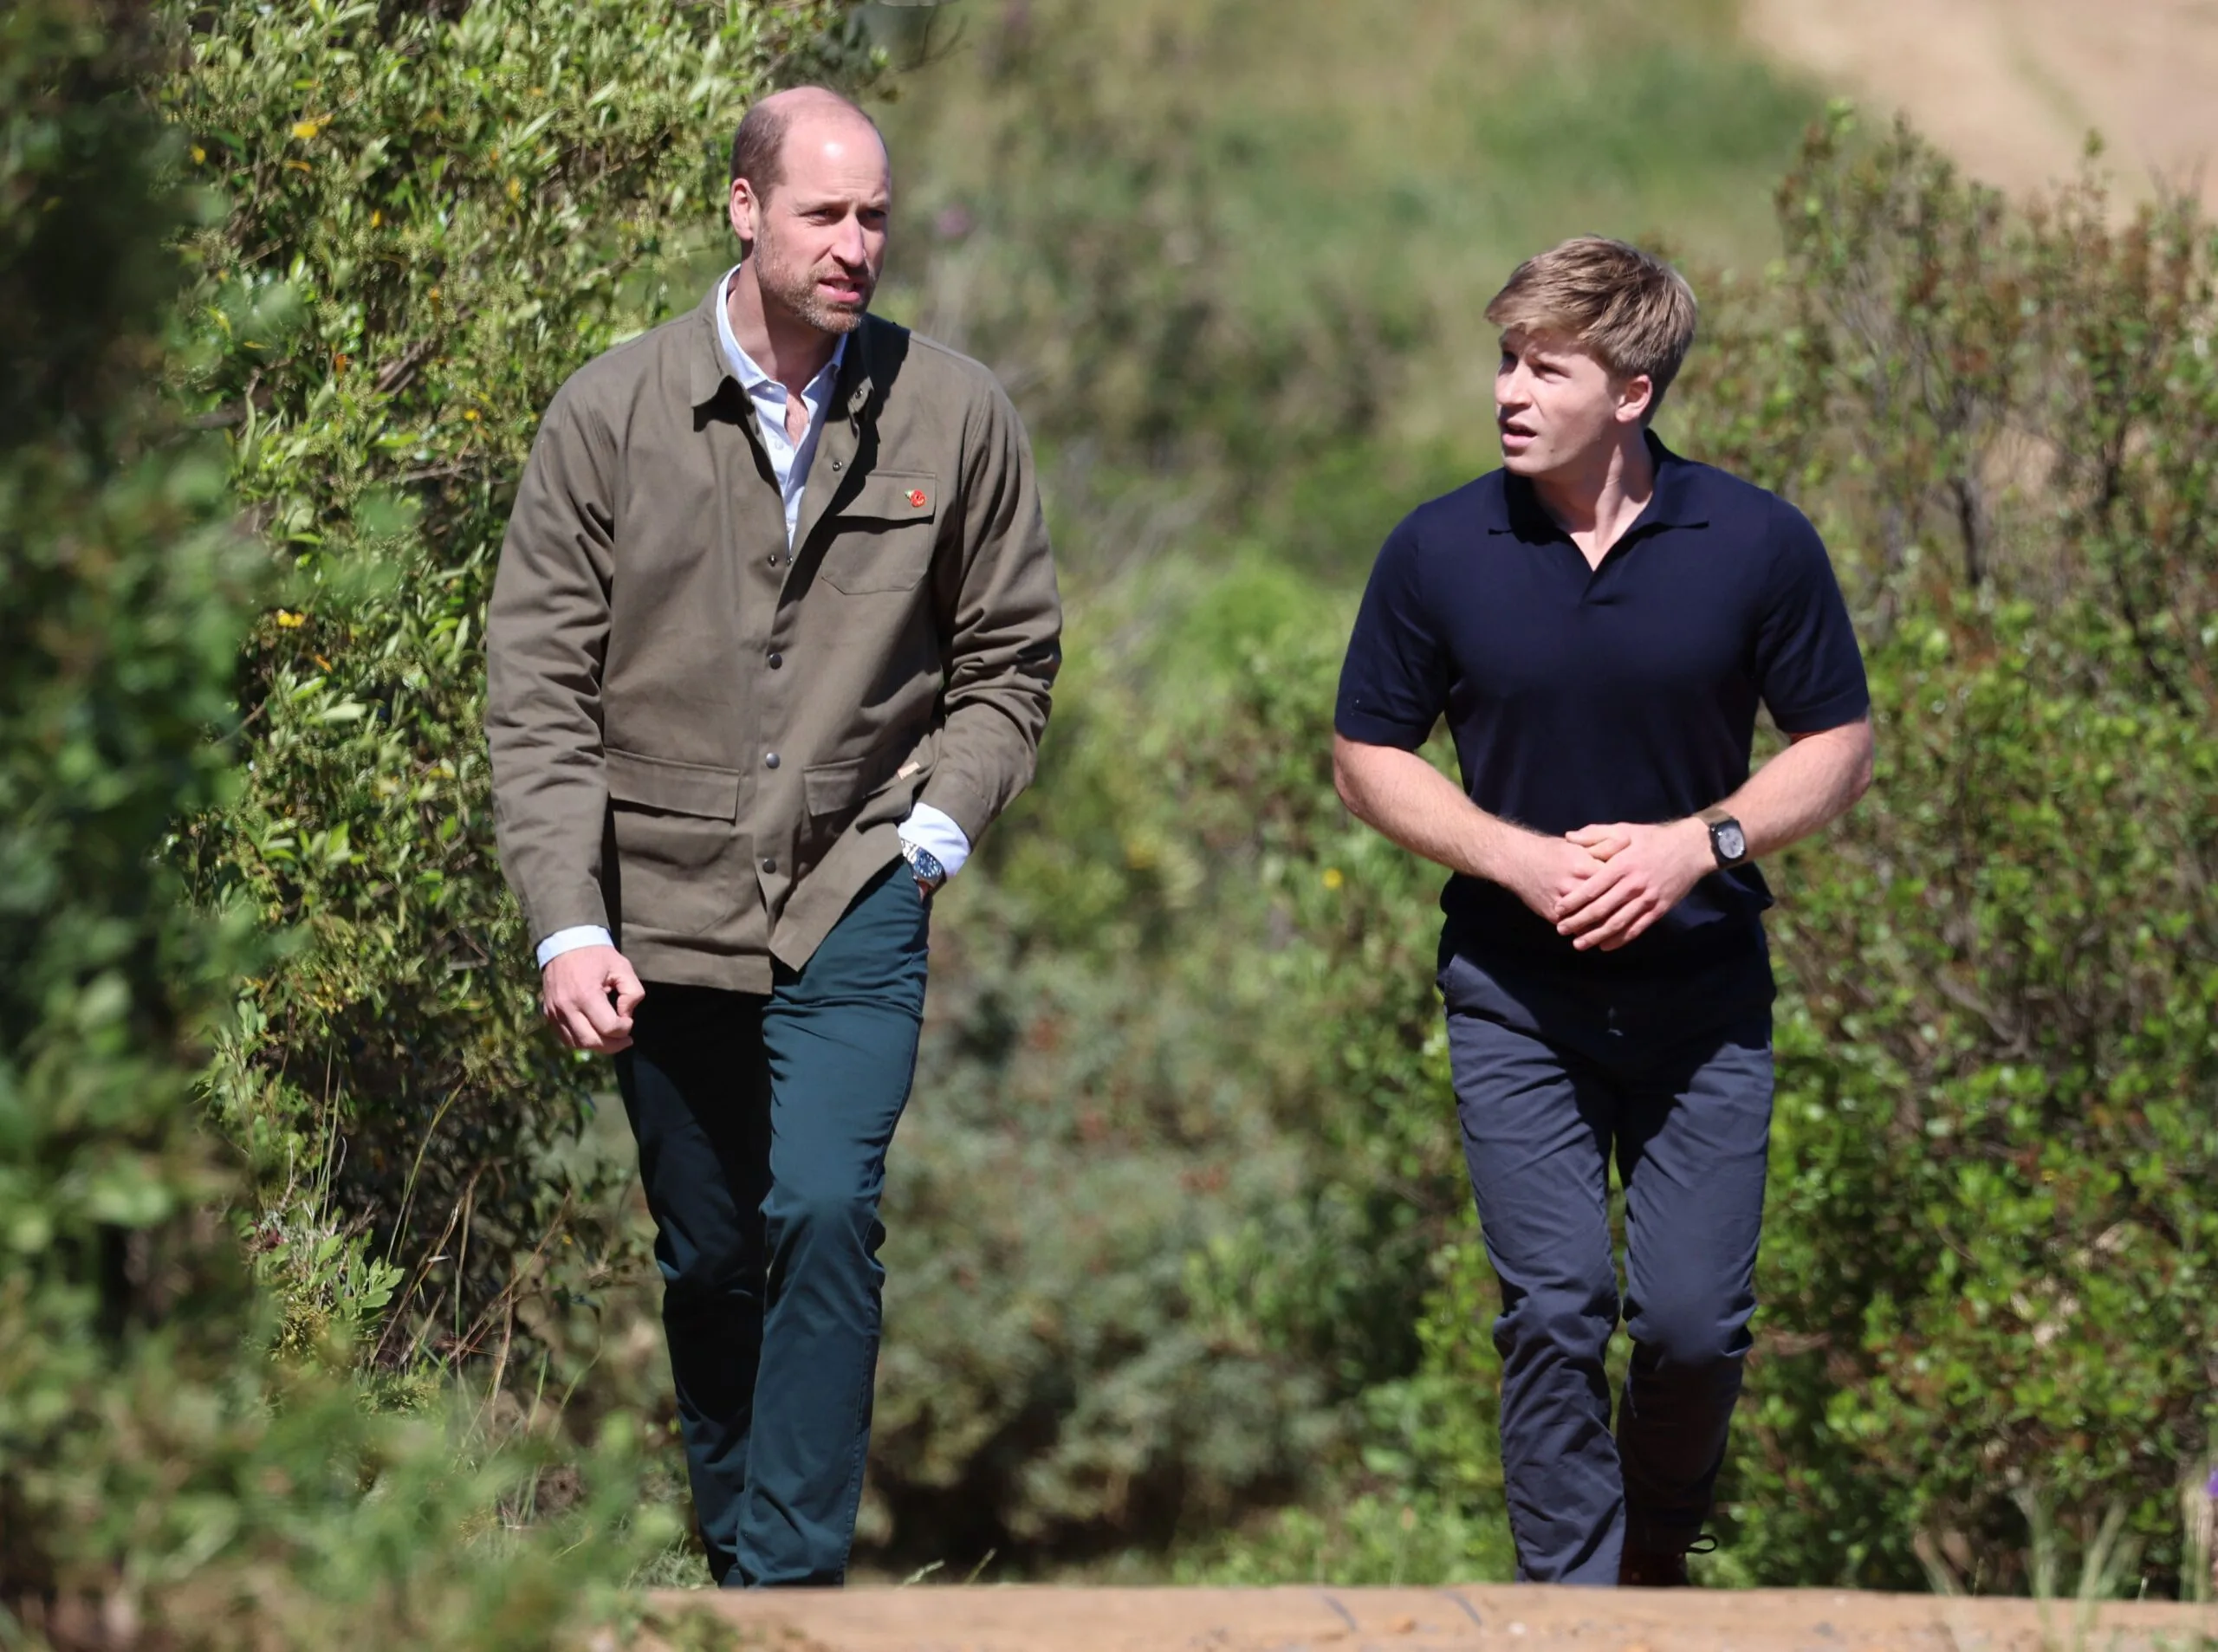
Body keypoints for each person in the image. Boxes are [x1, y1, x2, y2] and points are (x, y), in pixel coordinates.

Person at [485, 85, 1060, 1588]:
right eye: (825, 213)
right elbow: (538, 693)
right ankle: (745, 1569)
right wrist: (569, 918)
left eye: (875, 214)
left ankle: (794, 1592)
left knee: (822, 1203)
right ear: (745, 211)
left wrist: (933, 831)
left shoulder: (954, 411)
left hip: (860, 882)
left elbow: (1011, 660)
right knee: (711, 1254)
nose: (857, 243)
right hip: (654, 903)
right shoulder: (609, 413)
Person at [1331, 237, 1873, 1587]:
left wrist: (1704, 843)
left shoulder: (1755, 541)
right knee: (1557, 1309)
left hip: (1703, 997)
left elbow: (1838, 739)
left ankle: (1655, 1569)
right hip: (1517, 996)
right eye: (1504, 360)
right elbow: (1367, 757)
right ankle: (1573, 1605)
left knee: (1692, 1326)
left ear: (1632, 393)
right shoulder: (1439, 546)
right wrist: (1513, 858)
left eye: (1544, 367)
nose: (1509, 390)